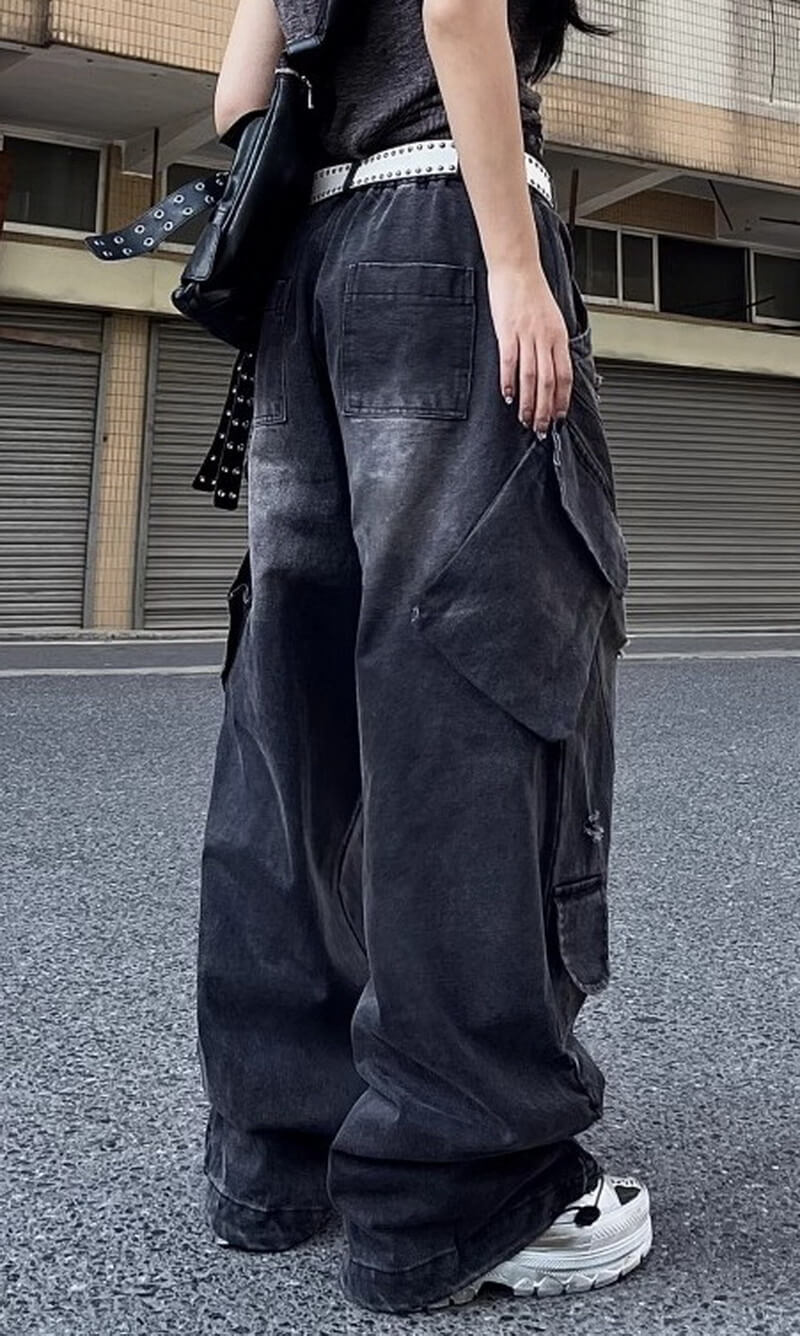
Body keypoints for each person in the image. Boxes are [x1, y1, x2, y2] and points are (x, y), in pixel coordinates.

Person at [196, 0, 652, 1315]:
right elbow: (457, 6)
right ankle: (467, 1183)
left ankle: (283, 1153)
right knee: (473, 692)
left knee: (295, 720)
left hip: (310, 267)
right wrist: (513, 259)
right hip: (446, 231)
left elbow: (240, 100)